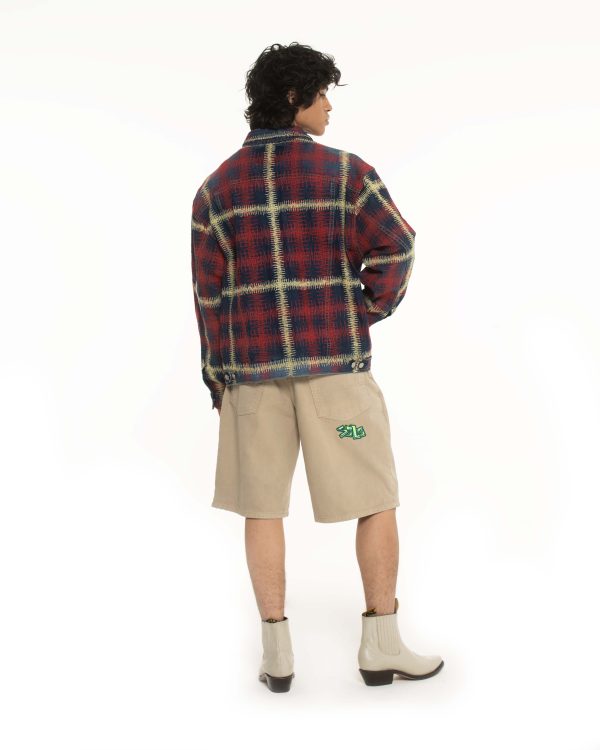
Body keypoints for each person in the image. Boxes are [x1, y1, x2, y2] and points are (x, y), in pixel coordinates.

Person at [191, 42, 444, 692]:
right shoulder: (346, 174)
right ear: (293, 98)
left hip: (252, 383)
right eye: (323, 92)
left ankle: (277, 658)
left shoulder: (216, 190)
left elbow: (209, 297)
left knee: (261, 508)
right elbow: (398, 245)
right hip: (337, 377)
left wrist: (218, 379)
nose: (329, 105)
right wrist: (363, 310)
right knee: (375, 499)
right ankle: (380, 645)